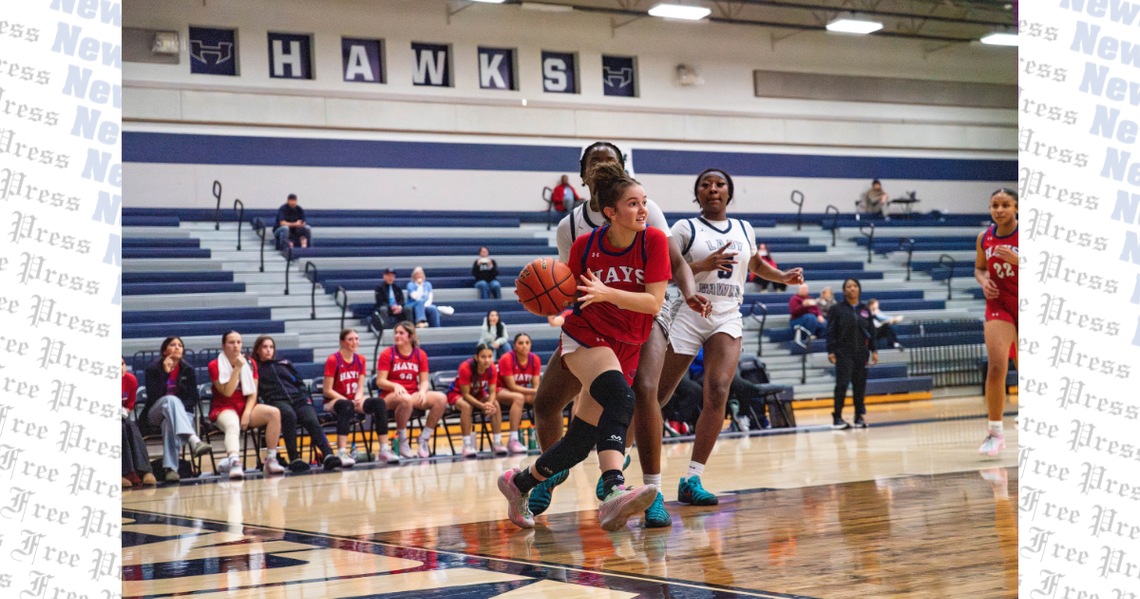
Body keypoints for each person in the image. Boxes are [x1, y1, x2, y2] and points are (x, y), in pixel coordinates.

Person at [528, 141, 709, 529]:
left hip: (643, 311)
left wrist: (691, 293)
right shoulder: (572, 228)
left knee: (644, 390)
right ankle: (552, 470)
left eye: (611, 159)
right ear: (583, 174)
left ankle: (651, 491)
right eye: (596, 160)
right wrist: (548, 301)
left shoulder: (646, 211)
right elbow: (566, 285)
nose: (604, 164)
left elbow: (674, 263)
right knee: (546, 402)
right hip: (595, 323)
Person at [499, 160, 674, 532]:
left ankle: (519, 484)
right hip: (585, 336)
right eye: (632, 203)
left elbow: (654, 303)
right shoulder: (584, 245)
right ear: (610, 212)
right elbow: (565, 293)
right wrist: (539, 298)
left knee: (579, 442)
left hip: (628, 342)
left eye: (644, 201)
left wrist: (608, 292)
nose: (642, 209)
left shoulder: (654, 241)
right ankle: (613, 492)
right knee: (622, 399)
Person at [656, 168, 803, 506]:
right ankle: (623, 463)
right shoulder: (684, 228)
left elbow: (755, 264)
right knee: (657, 394)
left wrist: (781, 276)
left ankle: (692, 479)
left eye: (719, 184)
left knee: (719, 390)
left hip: (726, 314)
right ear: (698, 194)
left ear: (729, 193)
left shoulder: (743, 228)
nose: (713, 189)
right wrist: (704, 263)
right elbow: (666, 272)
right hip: (690, 312)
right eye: (705, 185)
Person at [253, 335, 345, 471]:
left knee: (310, 418)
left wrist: (305, 398)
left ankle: (328, 455)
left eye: (271, 347)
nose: (268, 350)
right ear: (258, 350)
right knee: (289, 415)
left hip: (298, 398)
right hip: (276, 400)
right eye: (265, 347)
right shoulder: (256, 369)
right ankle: (294, 458)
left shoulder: (284, 363)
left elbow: (299, 383)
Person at [975, 188, 1018, 457]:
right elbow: (979, 268)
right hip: (999, 304)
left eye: (1005, 205)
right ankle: (995, 433)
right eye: (994, 205)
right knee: (997, 366)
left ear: (1016, 207)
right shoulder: (984, 237)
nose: (999, 210)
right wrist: (983, 281)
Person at [208, 331, 284, 479]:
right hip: (224, 406)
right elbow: (227, 393)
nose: (236, 346)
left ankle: (271, 460)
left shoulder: (250, 362)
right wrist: (236, 368)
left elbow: (253, 393)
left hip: (245, 406)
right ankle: (235, 463)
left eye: (238, 342)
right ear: (223, 345)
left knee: (274, 413)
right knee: (232, 424)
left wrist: (247, 413)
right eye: (231, 342)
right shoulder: (214, 365)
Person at [141, 336, 212, 483]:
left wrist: (177, 410)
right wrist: (165, 373)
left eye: (180, 345)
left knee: (169, 423)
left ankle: (171, 469)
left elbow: (193, 398)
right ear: (165, 350)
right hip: (156, 413)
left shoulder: (188, 370)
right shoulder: (153, 369)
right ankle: (194, 439)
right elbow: (153, 397)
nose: (177, 347)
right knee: (171, 400)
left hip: (181, 415)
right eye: (173, 345)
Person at [375, 322, 449, 458]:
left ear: (411, 336)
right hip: (390, 396)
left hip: (412, 393)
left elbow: (425, 381)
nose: (397, 335)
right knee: (406, 399)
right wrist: (395, 385)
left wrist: (422, 391)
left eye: (401, 333)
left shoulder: (420, 354)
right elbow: (380, 381)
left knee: (441, 398)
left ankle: (424, 438)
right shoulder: (387, 354)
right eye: (396, 332)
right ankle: (403, 440)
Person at [323, 329, 395, 464]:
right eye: (350, 339)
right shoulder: (333, 359)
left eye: (356, 338)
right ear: (343, 342)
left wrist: (357, 398)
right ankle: (342, 452)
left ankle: (384, 450)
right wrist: (347, 400)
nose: (354, 342)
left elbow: (360, 386)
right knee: (346, 405)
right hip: (333, 401)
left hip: (351, 400)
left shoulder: (360, 359)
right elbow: (327, 390)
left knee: (379, 403)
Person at [825, 279, 878, 430]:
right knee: (842, 384)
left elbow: (872, 332)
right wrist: (830, 351)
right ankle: (837, 417)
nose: (852, 289)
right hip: (843, 352)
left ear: (859, 289)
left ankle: (858, 417)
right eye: (849, 287)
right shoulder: (837, 309)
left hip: (862, 352)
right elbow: (830, 332)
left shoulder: (865, 309)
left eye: (855, 286)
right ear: (844, 291)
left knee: (860, 385)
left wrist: (873, 350)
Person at [448, 344, 507, 457]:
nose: (487, 360)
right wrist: (482, 406)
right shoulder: (465, 367)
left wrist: (489, 404)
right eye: (483, 357)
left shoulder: (492, 368)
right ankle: (467, 444)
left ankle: (497, 442)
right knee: (466, 406)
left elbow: (493, 392)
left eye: (490, 356)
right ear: (476, 357)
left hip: (477, 393)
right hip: (457, 393)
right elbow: (465, 395)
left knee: (495, 404)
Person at [497, 333, 541, 454]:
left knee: (543, 399)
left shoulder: (535, 359)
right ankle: (513, 440)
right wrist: (535, 391)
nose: (524, 346)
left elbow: (536, 385)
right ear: (514, 346)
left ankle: (545, 435)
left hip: (520, 391)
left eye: (527, 343)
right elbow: (511, 386)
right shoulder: (507, 358)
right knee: (519, 398)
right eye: (520, 343)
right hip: (499, 390)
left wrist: (538, 393)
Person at [122, 359, 156, 489]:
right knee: (121, 428)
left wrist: (123, 413)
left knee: (130, 426)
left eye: (122, 364)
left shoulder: (131, 380)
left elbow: (130, 405)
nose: (120, 368)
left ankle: (145, 471)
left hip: (122, 415)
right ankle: (125, 472)